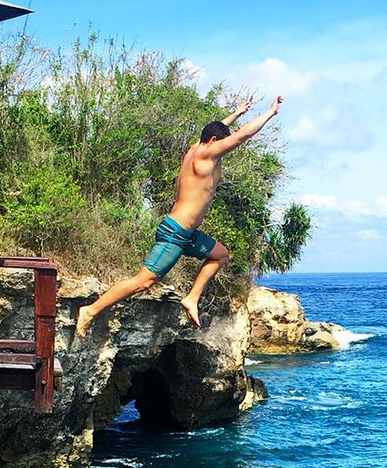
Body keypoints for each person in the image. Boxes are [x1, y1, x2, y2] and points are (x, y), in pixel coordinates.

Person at [76, 95, 283, 337]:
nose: (222, 150)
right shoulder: (204, 155)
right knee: (144, 281)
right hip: (175, 232)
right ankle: (90, 310)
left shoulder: (196, 147)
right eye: (220, 144)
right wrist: (270, 113)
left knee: (220, 255)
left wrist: (236, 113)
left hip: (187, 234)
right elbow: (243, 135)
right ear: (214, 142)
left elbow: (215, 130)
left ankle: (191, 299)